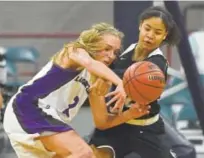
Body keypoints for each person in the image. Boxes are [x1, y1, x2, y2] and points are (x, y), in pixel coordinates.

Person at [3, 22, 149, 158]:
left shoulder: (98, 78)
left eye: (115, 52)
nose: (111, 56)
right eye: (106, 49)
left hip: (43, 121)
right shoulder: (73, 51)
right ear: (92, 42)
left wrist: (129, 114)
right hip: (28, 108)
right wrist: (121, 83)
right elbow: (89, 62)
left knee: (92, 155)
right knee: (83, 152)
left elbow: (102, 122)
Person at [89, 6, 195, 158]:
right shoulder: (127, 51)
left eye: (157, 32)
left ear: (164, 35)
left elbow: (140, 79)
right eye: (147, 28)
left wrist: (125, 88)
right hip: (117, 123)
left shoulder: (158, 63)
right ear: (140, 26)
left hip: (144, 128)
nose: (150, 35)